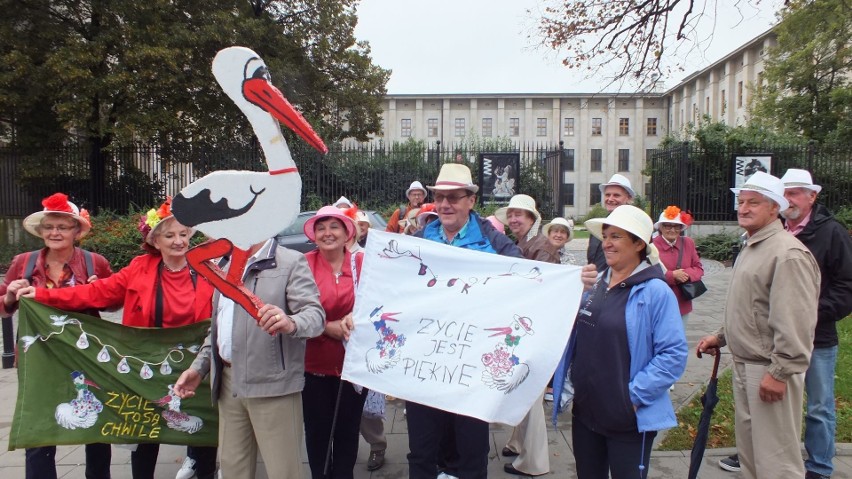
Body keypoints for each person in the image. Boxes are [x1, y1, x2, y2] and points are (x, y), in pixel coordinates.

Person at [19, 198, 218, 479]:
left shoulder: (207, 269)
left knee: (202, 425)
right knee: (144, 430)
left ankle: (201, 468)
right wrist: (41, 295)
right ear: (155, 241)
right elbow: (94, 293)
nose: (178, 241)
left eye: (184, 234)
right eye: (170, 235)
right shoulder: (140, 267)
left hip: (195, 362)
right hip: (145, 363)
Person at [697, 171, 820, 479]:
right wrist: (722, 336)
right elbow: (752, 306)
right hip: (747, 366)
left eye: (754, 202)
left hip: (768, 371)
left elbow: (795, 320)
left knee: (776, 463)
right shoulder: (754, 246)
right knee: (752, 459)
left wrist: (779, 372)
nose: (743, 208)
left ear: (774, 208)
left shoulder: (787, 254)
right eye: (741, 201)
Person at [172, 235, 324, 479]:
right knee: (233, 469)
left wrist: (290, 321)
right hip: (229, 385)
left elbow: (315, 316)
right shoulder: (222, 265)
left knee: (284, 472)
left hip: (274, 386)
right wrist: (199, 368)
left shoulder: (290, 261)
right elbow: (218, 328)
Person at [554, 205, 688, 479]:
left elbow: (673, 354)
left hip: (626, 417)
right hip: (586, 411)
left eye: (616, 236)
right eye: (605, 236)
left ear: (639, 243)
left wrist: (633, 398)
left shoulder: (656, 291)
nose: (607, 243)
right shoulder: (596, 285)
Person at [407, 163, 523, 479]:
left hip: (471, 366)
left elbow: (530, 280)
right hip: (425, 365)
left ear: (471, 200)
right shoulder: (418, 242)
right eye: (440, 197)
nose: (445, 204)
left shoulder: (493, 241)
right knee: (422, 450)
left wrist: (570, 283)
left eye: (454, 197)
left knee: (471, 452)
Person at [2, 193, 113, 479]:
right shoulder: (23, 262)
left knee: (96, 422)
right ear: (40, 231)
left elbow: (114, 303)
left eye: (63, 227)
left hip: (86, 357)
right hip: (39, 359)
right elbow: (4, 308)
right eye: (49, 226)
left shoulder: (94, 262)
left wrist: (99, 289)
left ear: (77, 232)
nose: (55, 232)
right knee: (39, 425)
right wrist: (11, 295)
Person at [781, 169, 851, 479]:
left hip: (817, 336)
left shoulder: (831, 231)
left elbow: (847, 285)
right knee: (776, 404)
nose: (788, 199)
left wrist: (810, 313)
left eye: (795, 193)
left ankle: (820, 467)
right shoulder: (774, 229)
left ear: (812, 196)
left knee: (819, 408)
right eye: (784, 193)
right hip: (778, 336)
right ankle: (774, 460)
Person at [494, 194, 559, 477]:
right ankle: (518, 442)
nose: (514, 219)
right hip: (525, 326)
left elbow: (541, 290)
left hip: (534, 329)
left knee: (530, 395)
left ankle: (534, 462)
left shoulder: (541, 246)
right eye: (511, 214)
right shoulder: (525, 243)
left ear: (533, 218)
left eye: (520, 214)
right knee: (522, 390)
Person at [301, 206, 367, 479]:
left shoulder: (363, 264)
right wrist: (329, 328)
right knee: (317, 433)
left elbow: (379, 304)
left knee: (348, 432)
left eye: (334, 226)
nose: (327, 233)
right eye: (321, 227)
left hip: (353, 367)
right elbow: (295, 311)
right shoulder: (302, 264)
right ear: (314, 234)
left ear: (347, 232)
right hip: (314, 365)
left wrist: (357, 318)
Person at [652, 206, 704, 321]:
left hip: (682, 303)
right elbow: (647, 273)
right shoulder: (652, 246)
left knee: (680, 338)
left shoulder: (688, 243)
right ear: (660, 227)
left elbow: (699, 268)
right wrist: (672, 276)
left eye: (676, 226)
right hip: (659, 303)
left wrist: (684, 274)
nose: (672, 230)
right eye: (668, 226)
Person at [587, 174, 634, 270]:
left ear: (628, 198)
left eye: (616, 195)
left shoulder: (634, 228)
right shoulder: (599, 226)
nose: (610, 199)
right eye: (607, 195)